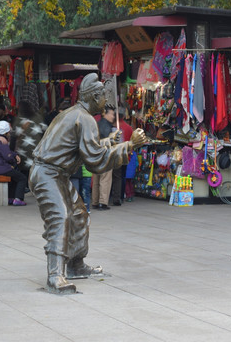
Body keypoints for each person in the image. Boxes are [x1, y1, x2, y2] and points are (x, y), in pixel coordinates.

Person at [29, 73, 147, 294]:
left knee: (79, 215)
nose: (106, 103)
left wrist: (106, 141)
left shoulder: (75, 114)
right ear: (94, 96)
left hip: (54, 173)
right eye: (103, 97)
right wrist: (130, 145)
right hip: (48, 173)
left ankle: (75, 264)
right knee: (61, 216)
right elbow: (94, 160)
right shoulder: (84, 118)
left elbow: (82, 147)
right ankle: (55, 274)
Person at [0, 121, 27, 206]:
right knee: (22, 178)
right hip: (1, 168)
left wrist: (14, 155)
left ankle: (11, 198)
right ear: (6, 132)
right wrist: (14, 157)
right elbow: (7, 156)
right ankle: (18, 199)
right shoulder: (3, 141)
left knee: (14, 177)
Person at [91, 104, 117, 210]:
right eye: (111, 114)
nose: (113, 116)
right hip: (105, 155)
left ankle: (95, 201)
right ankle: (103, 202)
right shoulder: (109, 128)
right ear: (105, 113)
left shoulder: (96, 124)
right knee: (105, 179)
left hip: (96, 155)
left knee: (96, 179)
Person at [110, 106, 134, 206]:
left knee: (116, 176)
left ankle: (116, 196)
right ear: (124, 116)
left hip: (115, 154)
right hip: (125, 154)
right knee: (122, 176)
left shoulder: (112, 127)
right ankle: (120, 195)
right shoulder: (128, 128)